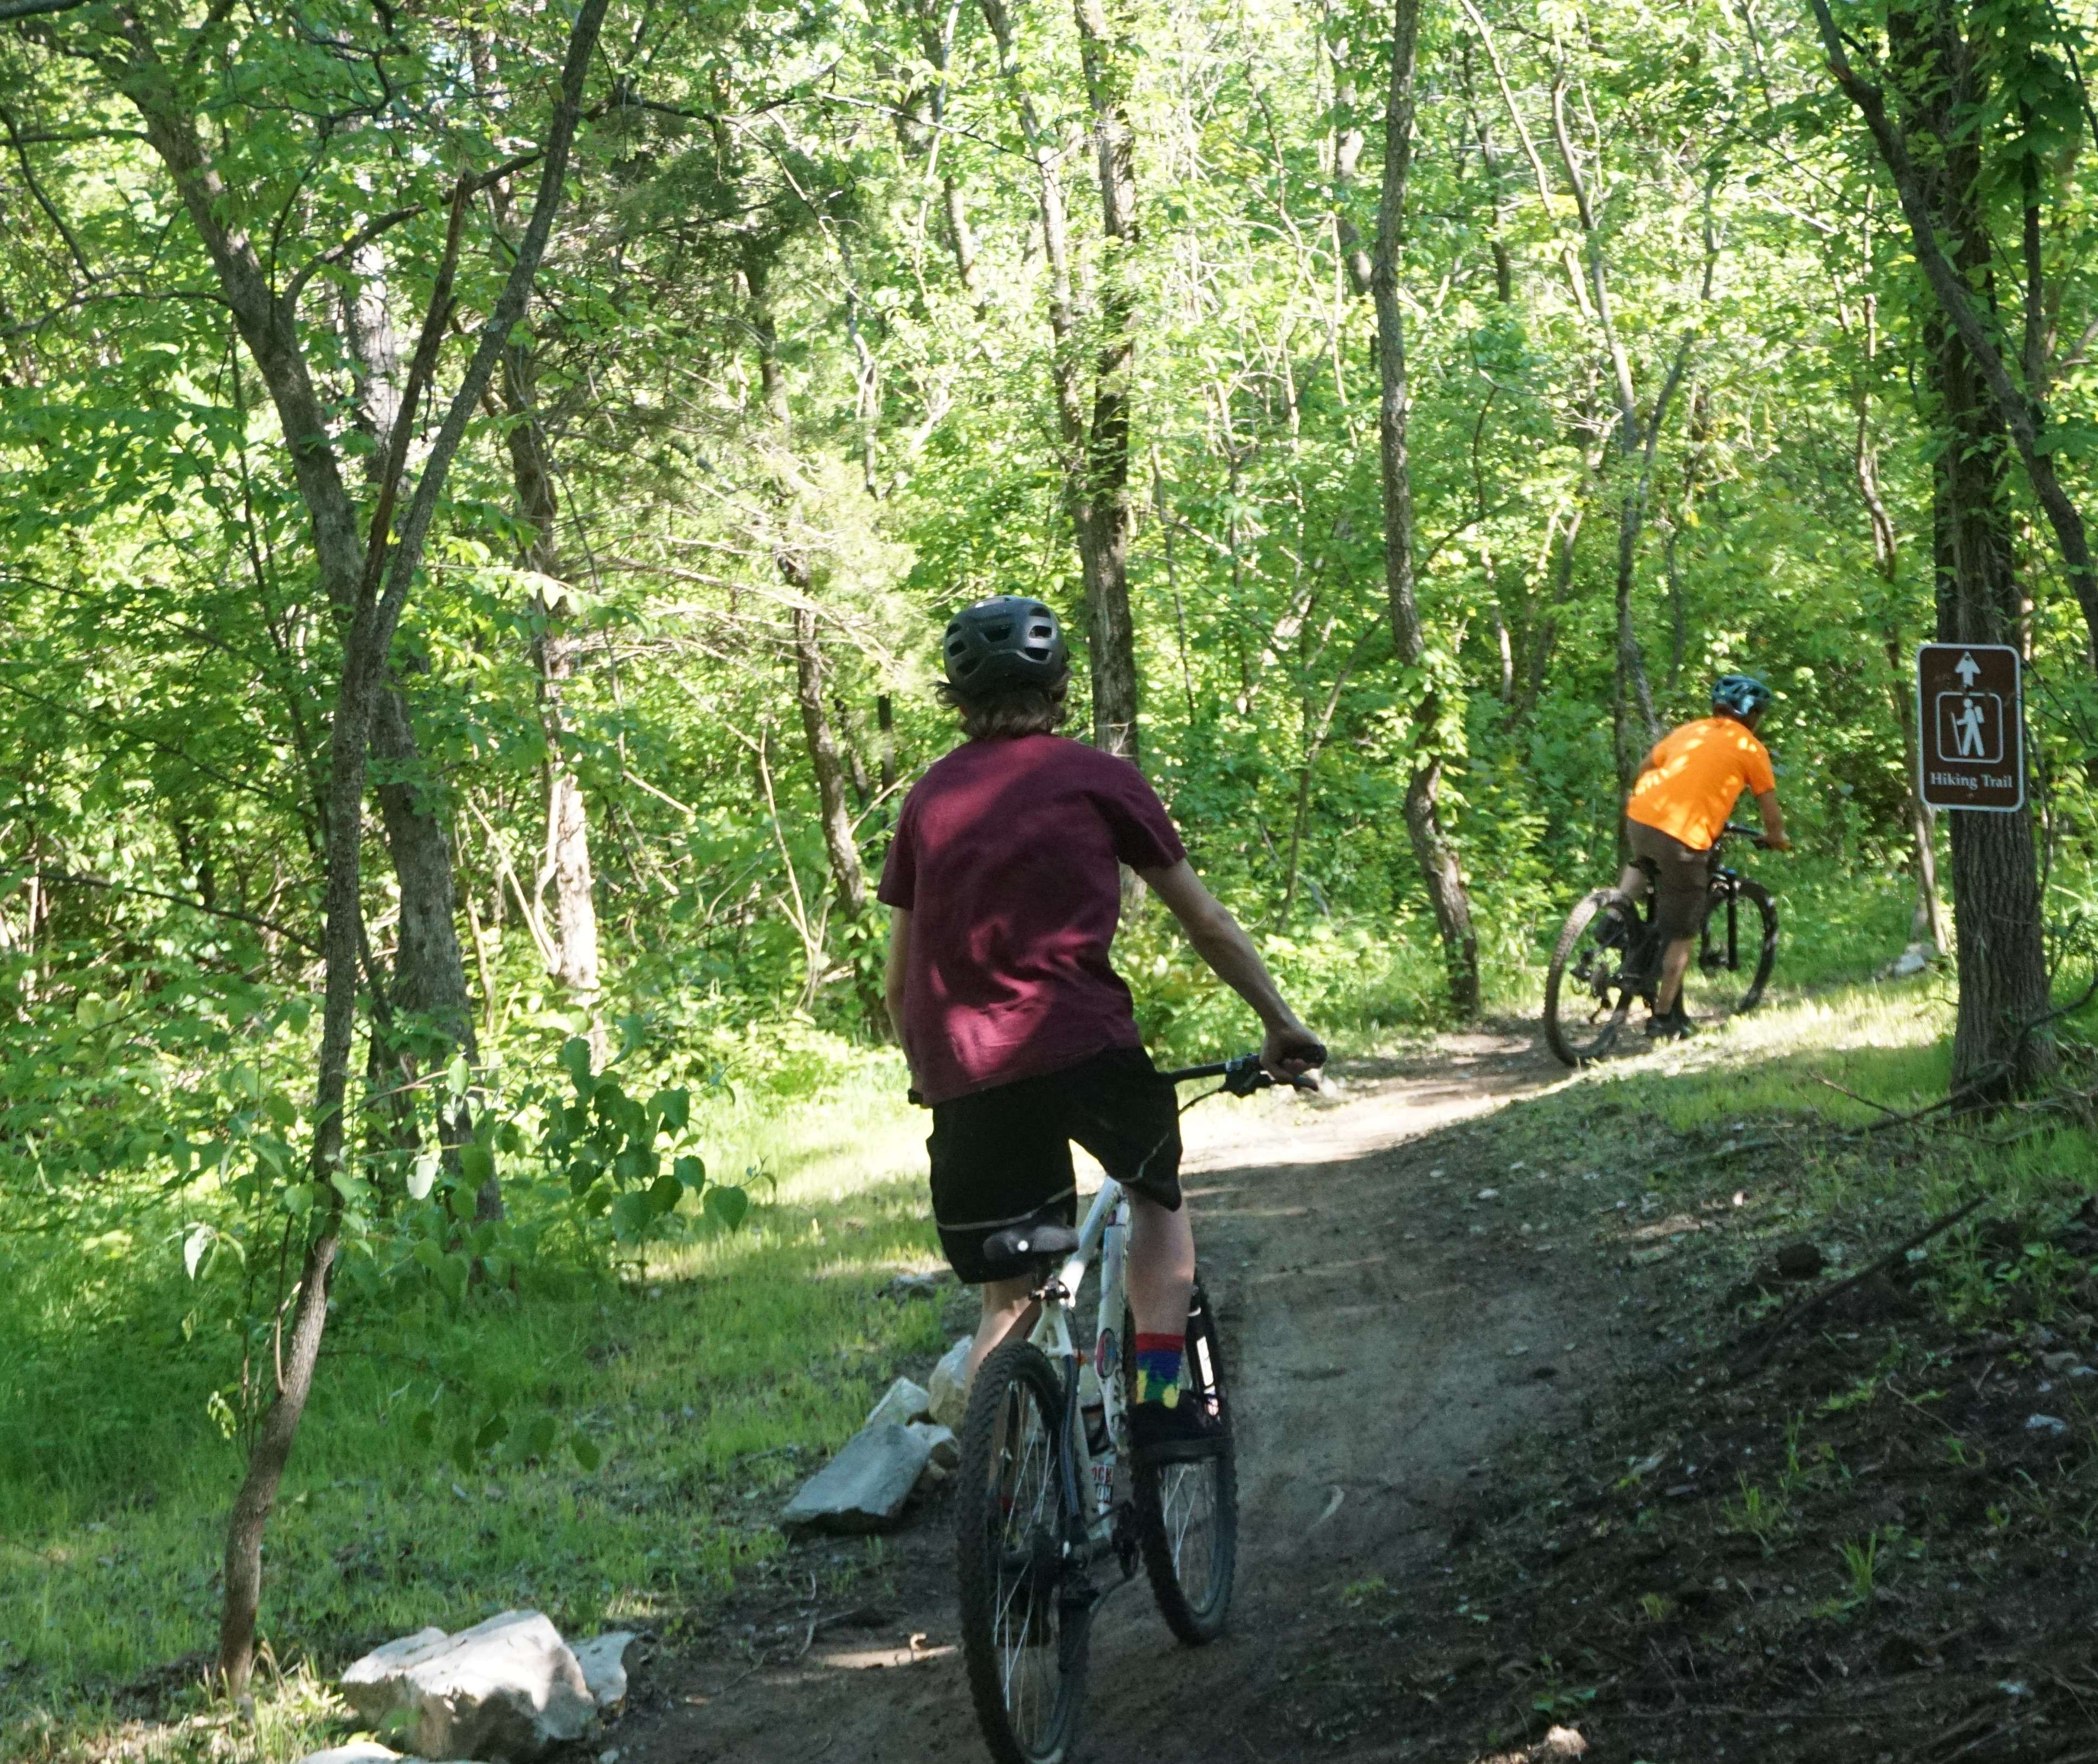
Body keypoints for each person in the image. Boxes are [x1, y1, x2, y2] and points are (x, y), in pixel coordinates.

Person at [878, 595, 1324, 1461]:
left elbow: (900, 981)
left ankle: (1003, 1509)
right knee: (1156, 1199)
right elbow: (1204, 922)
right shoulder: (1098, 776)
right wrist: (1280, 1023)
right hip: (1082, 1041)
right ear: (1058, 686)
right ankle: (1161, 1401)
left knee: (1008, 1298)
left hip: (963, 1066)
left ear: (955, 699)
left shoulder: (928, 799)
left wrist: (925, 1072)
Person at [1618, 673, 1792, 1039]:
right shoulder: (1750, 748)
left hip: (1640, 819)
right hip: (1684, 836)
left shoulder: (1690, 731)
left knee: (1644, 864)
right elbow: (1770, 811)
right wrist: (1776, 838)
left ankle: (1614, 919)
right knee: (1682, 931)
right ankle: (1664, 1019)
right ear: (1753, 715)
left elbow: (1645, 767)